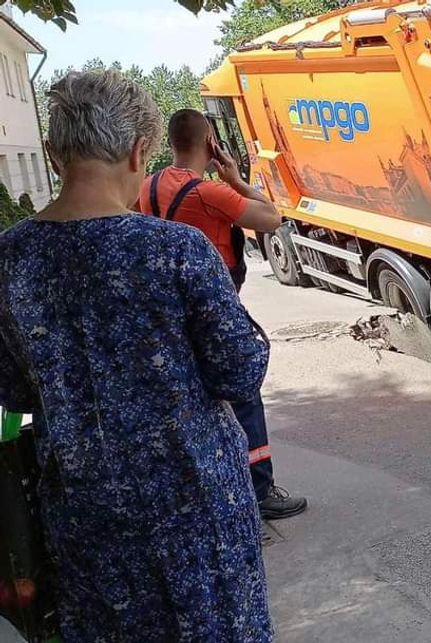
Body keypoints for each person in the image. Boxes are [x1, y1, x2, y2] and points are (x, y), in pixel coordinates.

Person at [0, 70, 272, 639]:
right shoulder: (172, 249)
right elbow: (239, 369)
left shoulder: (10, 257)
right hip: (193, 502)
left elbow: (15, 389)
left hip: (80, 506)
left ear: (53, 155)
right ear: (138, 149)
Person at [139, 109, 307, 520]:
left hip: (168, 312)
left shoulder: (149, 186)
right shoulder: (209, 193)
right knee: (243, 393)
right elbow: (271, 217)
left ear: (171, 143)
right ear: (210, 142)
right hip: (212, 312)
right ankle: (260, 491)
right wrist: (236, 179)